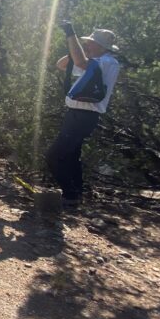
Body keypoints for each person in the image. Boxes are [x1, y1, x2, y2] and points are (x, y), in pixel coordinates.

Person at [45, 22, 121, 208]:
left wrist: (71, 34)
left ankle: (70, 195)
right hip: (77, 116)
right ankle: (75, 194)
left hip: (84, 116)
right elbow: (61, 65)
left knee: (54, 156)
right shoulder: (95, 62)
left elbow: (79, 62)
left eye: (90, 43)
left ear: (101, 46)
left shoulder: (107, 62)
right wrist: (77, 50)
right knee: (72, 156)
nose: (87, 45)